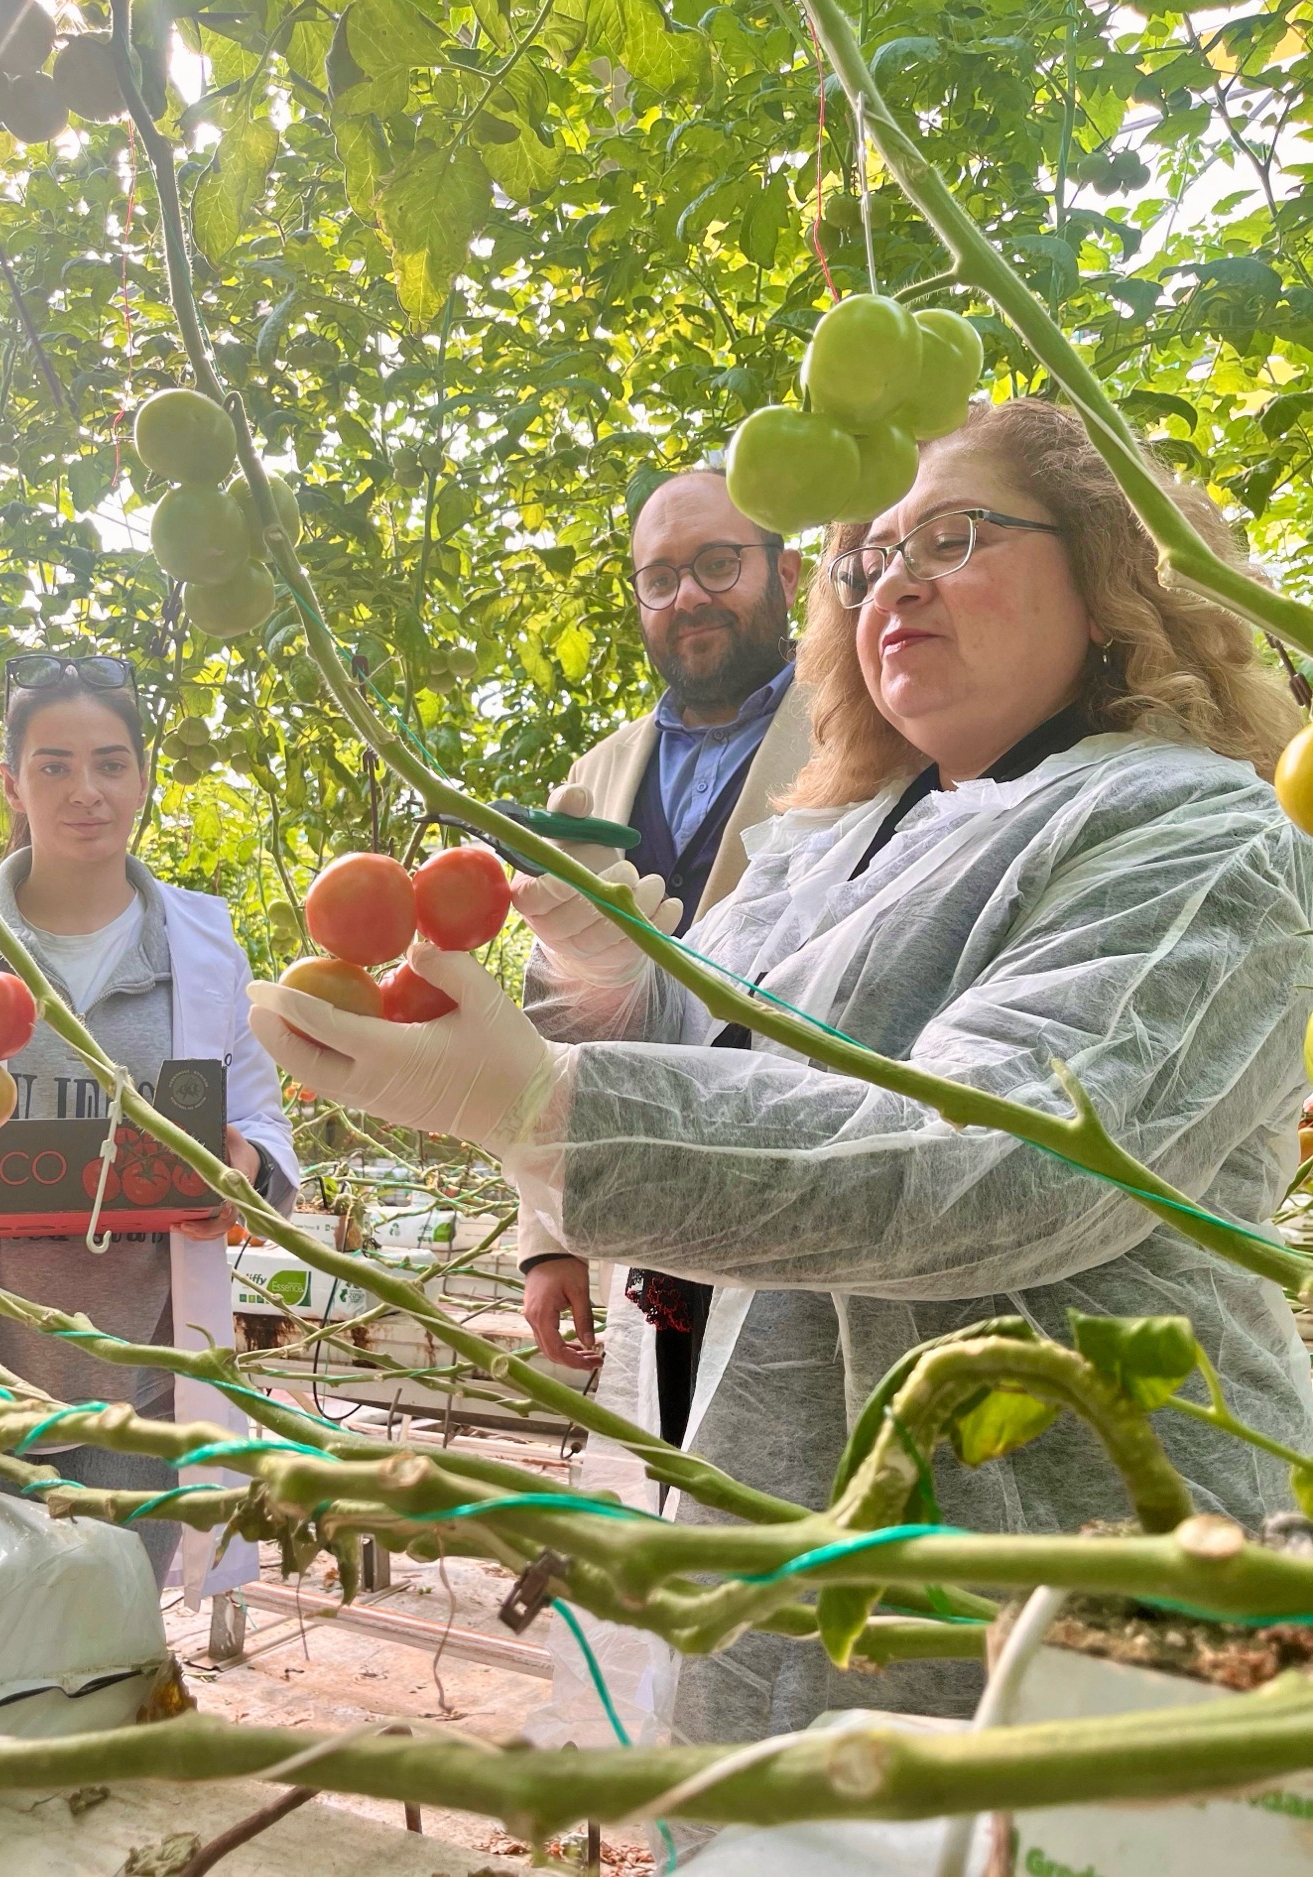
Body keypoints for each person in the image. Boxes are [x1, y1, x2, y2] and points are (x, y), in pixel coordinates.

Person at [243, 400, 1313, 1769]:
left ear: (1112, 578)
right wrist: (632, 996)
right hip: (768, 1537)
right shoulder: (831, 841)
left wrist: (552, 1106)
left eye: (955, 534)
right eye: (868, 558)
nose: (896, 579)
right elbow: (746, 1072)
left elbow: (1004, 1159)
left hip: (1051, 1552)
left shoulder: (1201, 834)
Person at [0, 655, 298, 1599]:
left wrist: (247, 1163)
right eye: (52, 765)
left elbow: (258, 1112)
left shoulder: (204, 948)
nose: (85, 790)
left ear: (142, 777)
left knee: (110, 1643)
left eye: (109, 762)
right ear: (11, 782)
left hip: (137, 1396)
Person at [520, 468, 814, 1446]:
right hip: (641, 1209)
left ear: (790, 571)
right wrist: (549, 1240)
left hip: (807, 1200)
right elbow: (553, 1013)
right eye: (660, 576)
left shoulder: (869, 727)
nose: (687, 594)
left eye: (718, 562)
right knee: (671, 1500)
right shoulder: (597, 778)